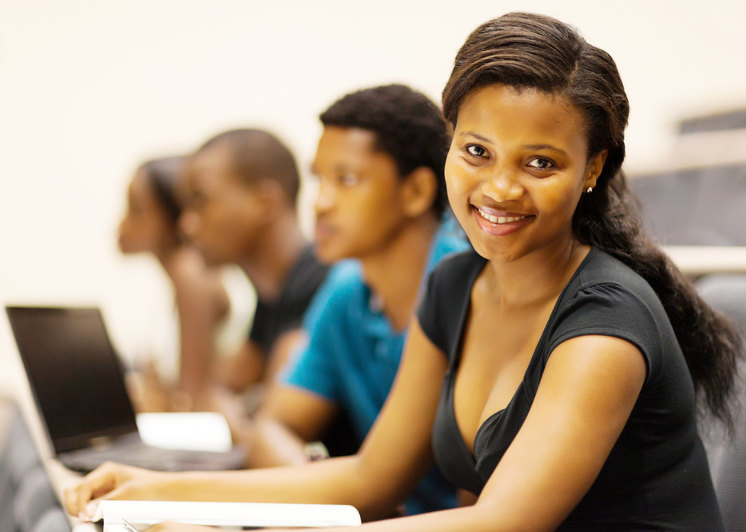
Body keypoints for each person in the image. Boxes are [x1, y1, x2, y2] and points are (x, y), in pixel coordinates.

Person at [66, 12, 743, 531]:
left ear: (592, 169)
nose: (500, 188)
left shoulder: (606, 323)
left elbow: (501, 522)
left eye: (540, 162)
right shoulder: (453, 287)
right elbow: (372, 476)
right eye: (477, 151)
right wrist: (154, 487)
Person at [244, 84, 469, 515]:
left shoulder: (469, 282)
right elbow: (274, 423)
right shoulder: (347, 288)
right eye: (319, 179)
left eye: (347, 179)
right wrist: (316, 488)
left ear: (417, 192)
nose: (321, 203)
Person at [178, 129, 330, 408]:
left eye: (201, 200)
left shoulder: (322, 285)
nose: (187, 223)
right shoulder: (272, 294)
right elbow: (217, 393)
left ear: (264, 203)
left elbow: (263, 428)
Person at [117, 156, 231, 412]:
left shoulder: (191, 274)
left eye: (136, 209)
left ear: (172, 217)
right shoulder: (179, 280)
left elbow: (192, 400)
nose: (122, 224)